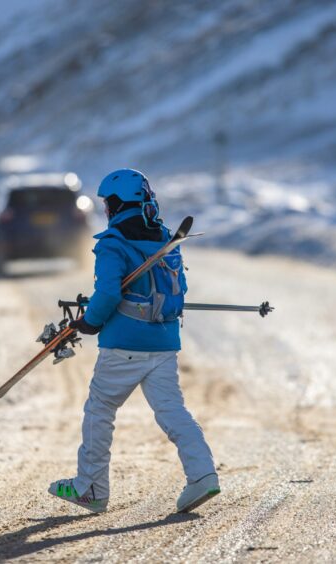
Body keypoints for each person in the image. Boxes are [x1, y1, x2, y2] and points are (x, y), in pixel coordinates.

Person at [48, 168, 219, 514]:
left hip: (124, 346)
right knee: (173, 412)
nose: (106, 209)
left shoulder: (113, 243)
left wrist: (90, 321)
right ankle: (203, 475)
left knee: (100, 410)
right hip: (165, 342)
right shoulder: (165, 238)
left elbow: (109, 293)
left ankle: (91, 487)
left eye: (108, 202)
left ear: (117, 203)